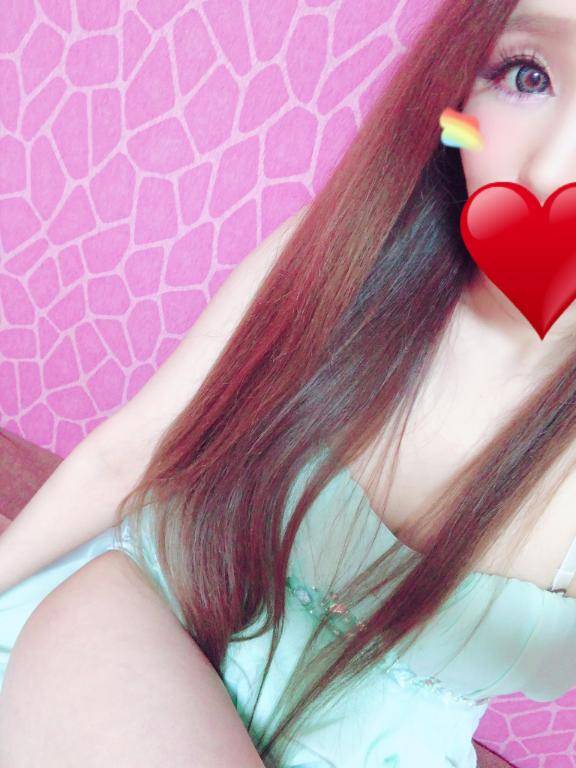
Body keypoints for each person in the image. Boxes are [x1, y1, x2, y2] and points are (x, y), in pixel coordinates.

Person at [1, 0, 576, 764]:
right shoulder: (344, 262)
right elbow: (126, 454)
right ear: (460, 94)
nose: (553, 167)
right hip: (139, 640)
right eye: (528, 76)